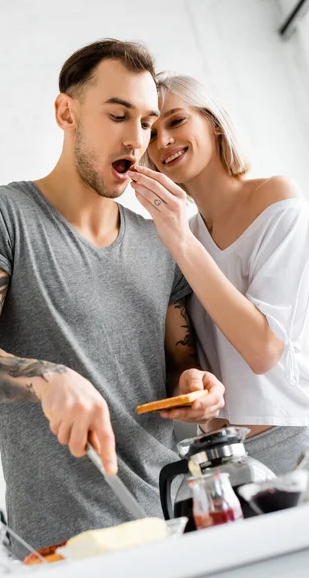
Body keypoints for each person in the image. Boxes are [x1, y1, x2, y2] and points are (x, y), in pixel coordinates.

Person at [0, 42, 225, 556]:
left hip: (172, 523)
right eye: (117, 115)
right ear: (67, 112)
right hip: (63, 546)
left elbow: (180, 363)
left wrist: (196, 387)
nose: (136, 139)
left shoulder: (162, 242)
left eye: (148, 122)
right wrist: (47, 378)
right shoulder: (1, 215)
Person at [128, 72, 309, 475]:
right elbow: (186, 359)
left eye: (176, 121)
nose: (164, 143)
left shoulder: (276, 199)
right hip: (224, 457)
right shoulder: (181, 236)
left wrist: (177, 240)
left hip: (295, 441)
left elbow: (263, 351)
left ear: (212, 121)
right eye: (151, 132)